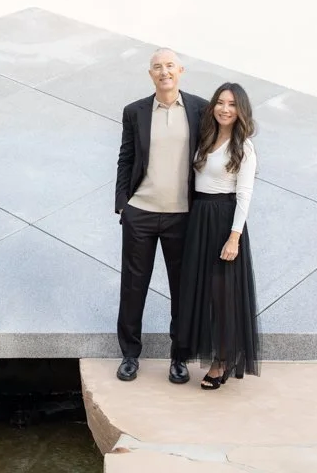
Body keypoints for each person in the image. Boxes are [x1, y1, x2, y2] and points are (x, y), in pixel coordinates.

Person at [115, 48, 207, 383]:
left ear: (181, 70)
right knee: (133, 286)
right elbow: (126, 157)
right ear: (150, 74)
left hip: (182, 215)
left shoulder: (201, 109)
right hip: (141, 211)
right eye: (157, 67)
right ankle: (129, 355)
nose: (164, 71)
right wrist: (122, 204)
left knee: (182, 290)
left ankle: (179, 357)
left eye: (169, 66)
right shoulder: (135, 111)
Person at [177, 82, 261, 390]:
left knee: (222, 295)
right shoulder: (206, 137)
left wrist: (234, 237)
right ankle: (204, 353)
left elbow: (245, 194)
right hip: (199, 218)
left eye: (232, 104)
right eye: (221, 102)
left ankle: (222, 361)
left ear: (241, 111)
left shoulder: (243, 147)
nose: (225, 109)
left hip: (224, 220)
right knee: (200, 291)